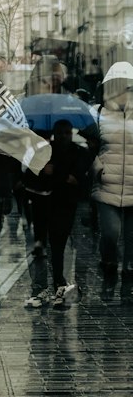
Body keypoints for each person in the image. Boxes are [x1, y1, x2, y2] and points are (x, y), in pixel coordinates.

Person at [24, 120, 91, 308]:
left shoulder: (79, 152)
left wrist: (66, 176)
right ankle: (58, 280)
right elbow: (30, 177)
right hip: (48, 203)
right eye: (59, 133)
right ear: (54, 134)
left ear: (71, 133)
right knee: (56, 242)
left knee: (59, 241)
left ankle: (59, 279)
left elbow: (80, 176)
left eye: (66, 133)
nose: (63, 136)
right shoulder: (45, 151)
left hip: (67, 204)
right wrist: (44, 172)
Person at [91, 60, 133, 277]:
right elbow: (84, 145)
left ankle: (129, 269)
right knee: (110, 233)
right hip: (107, 183)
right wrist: (97, 167)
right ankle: (107, 258)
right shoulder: (97, 113)